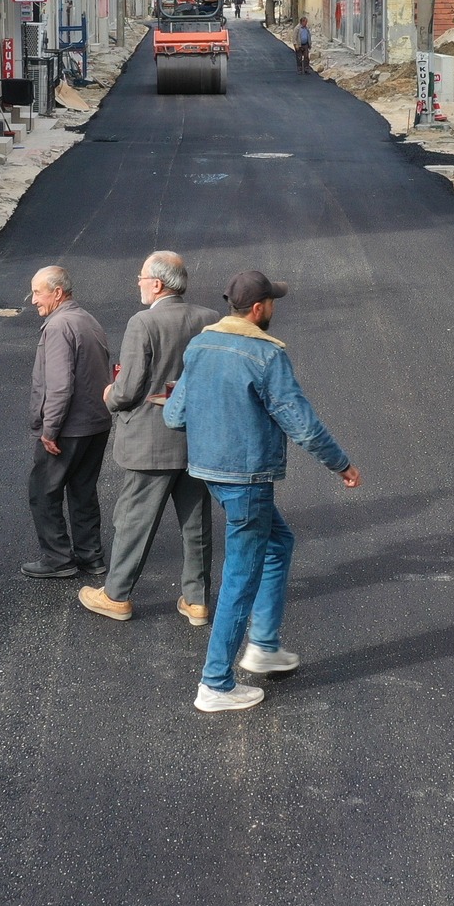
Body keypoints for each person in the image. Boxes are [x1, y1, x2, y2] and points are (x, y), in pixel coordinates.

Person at [164, 271, 362, 713]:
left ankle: (265, 645)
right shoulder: (265, 356)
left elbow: (175, 416)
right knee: (241, 575)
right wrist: (342, 464)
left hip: (211, 474)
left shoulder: (200, 346)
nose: (274, 308)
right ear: (259, 309)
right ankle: (215, 682)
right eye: (272, 302)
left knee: (278, 543)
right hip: (247, 480)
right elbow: (302, 424)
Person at [78, 251, 218, 624]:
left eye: (141, 278)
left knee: (135, 520)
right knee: (196, 523)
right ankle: (197, 600)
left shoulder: (143, 323)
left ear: (156, 284)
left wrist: (109, 395)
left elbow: (127, 389)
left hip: (150, 441)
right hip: (196, 438)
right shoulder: (209, 319)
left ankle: (117, 595)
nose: (138, 284)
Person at [22, 266, 114, 579]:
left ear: (57, 293)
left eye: (38, 292)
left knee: (43, 491)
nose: (33, 300)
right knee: (83, 491)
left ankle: (58, 559)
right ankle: (91, 557)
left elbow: (60, 385)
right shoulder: (88, 320)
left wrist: (50, 430)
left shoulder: (58, 326)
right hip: (96, 425)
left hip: (68, 429)